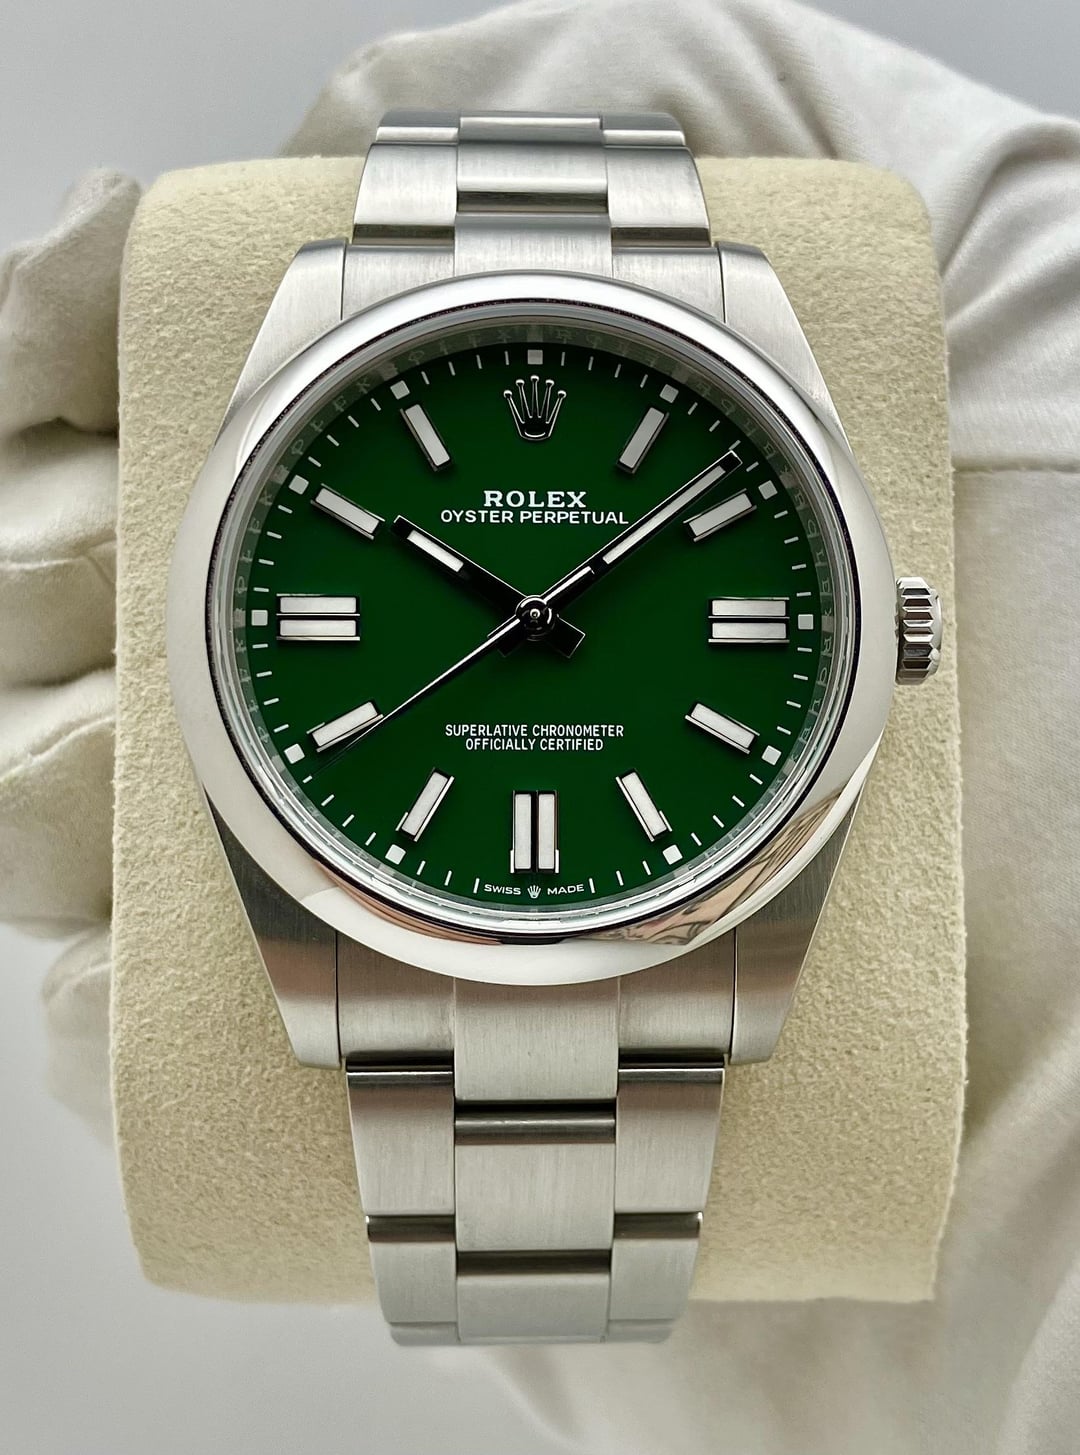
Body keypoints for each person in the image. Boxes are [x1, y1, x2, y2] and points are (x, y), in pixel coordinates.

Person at [1, 1, 1077, 1449]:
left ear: (900, 627)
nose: (534, 627)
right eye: (520, 620)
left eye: (543, 621)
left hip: (666, 902)